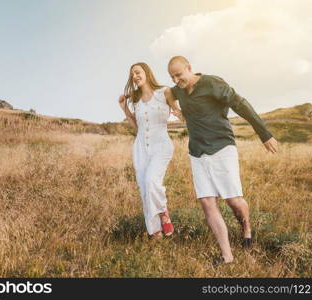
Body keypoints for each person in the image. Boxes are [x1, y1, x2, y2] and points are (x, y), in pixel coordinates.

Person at [166, 56, 278, 264]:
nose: (176, 80)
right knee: (207, 201)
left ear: (189, 68)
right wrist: (177, 108)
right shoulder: (178, 88)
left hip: (221, 147)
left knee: (233, 200)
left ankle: (246, 228)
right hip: (197, 152)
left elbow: (240, 104)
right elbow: (167, 92)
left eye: (179, 75)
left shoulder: (212, 83)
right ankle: (227, 256)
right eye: (172, 76)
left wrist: (264, 134)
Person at [118, 62, 181, 238]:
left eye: (137, 72)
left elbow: (178, 110)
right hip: (140, 147)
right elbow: (137, 128)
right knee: (144, 187)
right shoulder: (136, 101)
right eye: (132, 75)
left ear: (146, 72)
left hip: (161, 145)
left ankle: (163, 211)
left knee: (152, 180)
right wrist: (125, 110)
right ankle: (155, 233)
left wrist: (180, 113)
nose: (134, 76)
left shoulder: (165, 92)